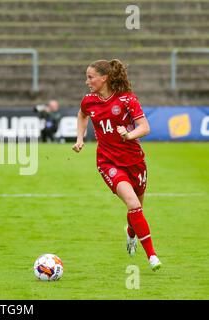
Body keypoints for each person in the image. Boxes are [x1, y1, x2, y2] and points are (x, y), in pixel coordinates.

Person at [72, 59, 162, 271]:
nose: (87, 81)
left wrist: (128, 134)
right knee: (133, 204)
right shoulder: (89, 101)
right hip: (108, 161)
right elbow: (82, 114)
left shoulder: (127, 99)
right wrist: (80, 138)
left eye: (91, 77)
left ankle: (131, 233)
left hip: (134, 161)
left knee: (137, 208)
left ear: (104, 78)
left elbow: (145, 127)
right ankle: (152, 256)